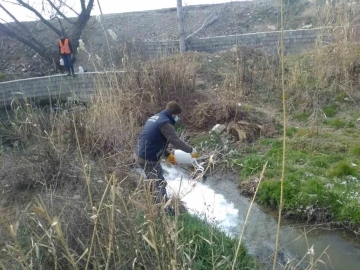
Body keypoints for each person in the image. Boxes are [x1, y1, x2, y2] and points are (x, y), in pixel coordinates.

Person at [135, 101, 198, 209]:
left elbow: (155, 139)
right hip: (148, 158)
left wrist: (168, 155)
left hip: (140, 154)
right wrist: (190, 150)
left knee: (153, 180)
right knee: (160, 183)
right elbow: (176, 141)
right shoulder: (165, 123)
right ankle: (164, 209)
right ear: (173, 114)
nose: (177, 118)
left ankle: (154, 203)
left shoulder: (155, 118)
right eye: (177, 116)